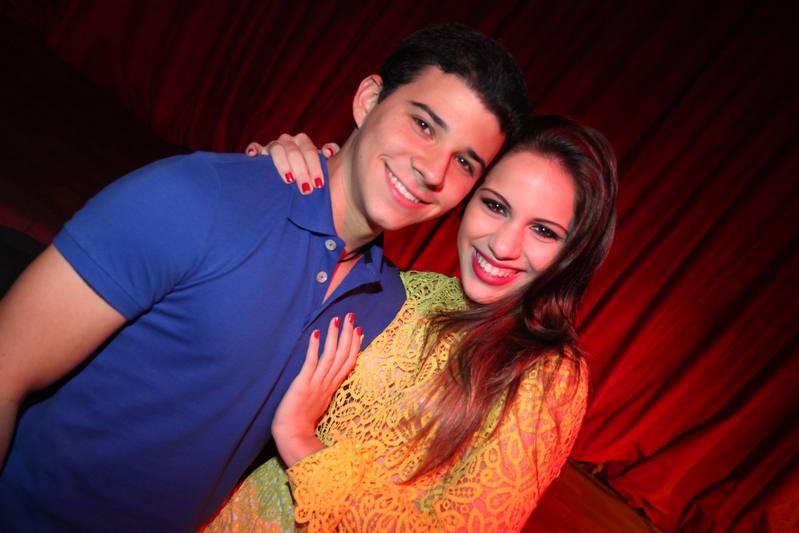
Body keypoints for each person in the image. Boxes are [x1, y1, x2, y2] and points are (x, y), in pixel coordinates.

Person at [0, 24, 529, 531]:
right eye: (423, 125)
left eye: (465, 162)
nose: (433, 170)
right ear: (369, 100)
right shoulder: (199, 198)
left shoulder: (384, 304)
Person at [205, 114, 618, 531]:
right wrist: (283, 185)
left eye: (543, 231)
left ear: (574, 252)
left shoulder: (547, 373)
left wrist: (299, 440)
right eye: (495, 206)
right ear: (467, 198)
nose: (503, 245)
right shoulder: (412, 289)